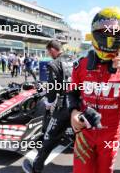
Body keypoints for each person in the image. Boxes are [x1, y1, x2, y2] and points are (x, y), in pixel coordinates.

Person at [68, 7, 120, 173]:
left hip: (110, 134)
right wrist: (74, 111)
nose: (111, 35)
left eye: (116, 32)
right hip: (85, 132)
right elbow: (72, 92)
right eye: (106, 29)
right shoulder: (80, 64)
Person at [22, 40, 71, 173]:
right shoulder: (74, 60)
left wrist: (49, 103)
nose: (49, 54)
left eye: (48, 52)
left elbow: (53, 87)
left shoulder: (54, 63)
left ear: (52, 49)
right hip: (77, 104)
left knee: (49, 136)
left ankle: (35, 168)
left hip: (63, 106)